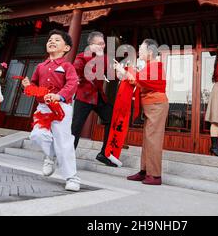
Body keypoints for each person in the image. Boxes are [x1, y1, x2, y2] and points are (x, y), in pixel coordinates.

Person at [21, 29, 81, 191]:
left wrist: (59, 96)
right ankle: (51, 155)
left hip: (61, 108)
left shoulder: (67, 66)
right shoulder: (40, 66)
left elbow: (72, 84)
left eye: (57, 40)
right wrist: (28, 87)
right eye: (49, 40)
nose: (52, 41)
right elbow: (34, 86)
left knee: (64, 142)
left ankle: (71, 177)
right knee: (37, 135)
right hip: (43, 108)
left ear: (66, 48)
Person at [115, 39, 169, 185]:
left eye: (141, 48)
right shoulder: (150, 66)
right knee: (147, 139)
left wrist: (123, 71)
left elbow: (138, 79)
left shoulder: (156, 66)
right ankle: (145, 171)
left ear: (150, 52)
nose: (139, 51)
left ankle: (155, 175)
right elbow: (137, 81)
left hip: (156, 104)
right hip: (151, 105)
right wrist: (125, 72)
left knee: (153, 139)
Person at [71, 31, 117, 167]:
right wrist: (76, 76)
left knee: (112, 118)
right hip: (84, 96)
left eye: (103, 44)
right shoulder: (82, 57)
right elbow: (76, 69)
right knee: (76, 126)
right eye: (100, 43)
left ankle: (104, 153)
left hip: (98, 96)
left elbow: (112, 72)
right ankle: (68, 154)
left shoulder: (104, 57)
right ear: (91, 45)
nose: (103, 46)